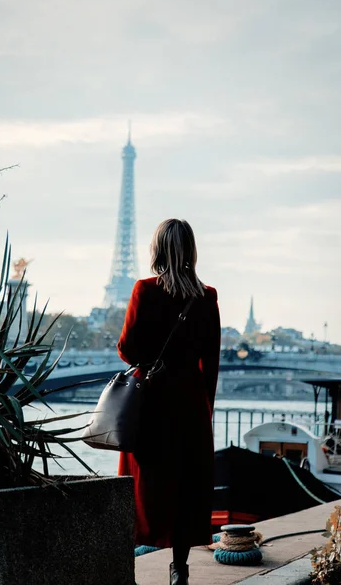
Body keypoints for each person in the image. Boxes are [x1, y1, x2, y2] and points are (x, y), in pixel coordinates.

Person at [117, 218, 221, 585]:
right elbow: (212, 362)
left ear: (157, 250)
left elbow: (128, 349)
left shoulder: (145, 290)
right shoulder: (206, 297)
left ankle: (126, 565)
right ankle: (179, 568)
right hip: (190, 404)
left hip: (151, 403)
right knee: (186, 487)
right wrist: (203, 407)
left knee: (144, 486)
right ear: (192, 250)